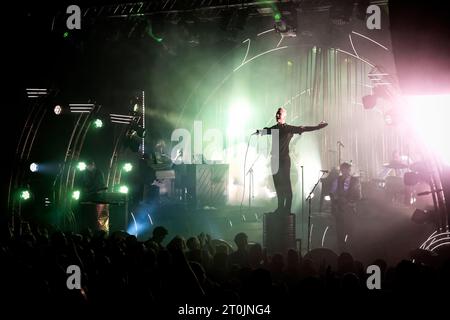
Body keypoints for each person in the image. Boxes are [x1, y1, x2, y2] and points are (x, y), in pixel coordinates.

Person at [258, 107, 328, 214]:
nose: (277, 115)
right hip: (275, 160)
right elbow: (267, 130)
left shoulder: (287, 128)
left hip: (284, 160)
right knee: (278, 185)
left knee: (286, 184)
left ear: (284, 116)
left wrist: (318, 127)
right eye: (276, 113)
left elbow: (303, 128)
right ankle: (280, 207)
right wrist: (259, 132)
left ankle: (287, 208)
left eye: (279, 114)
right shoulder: (275, 128)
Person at [330, 162, 362, 252]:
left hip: (349, 211)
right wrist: (335, 203)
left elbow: (358, 196)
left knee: (351, 233)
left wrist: (348, 202)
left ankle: (351, 252)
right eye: (342, 170)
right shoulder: (337, 180)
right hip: (339, 211)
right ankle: (341, 252)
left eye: (346, 170)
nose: (344, 172)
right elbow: (332, 193)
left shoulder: (354, 181)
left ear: (349, 170)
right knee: (340, 234)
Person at [79, 159, 109, 232]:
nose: (87, 167)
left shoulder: (99, 172)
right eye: (87, 166)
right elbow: (84, 183)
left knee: (98, 216)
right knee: (91, 215)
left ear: (93, 165)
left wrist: (89, 190)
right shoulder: (86, 173)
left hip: (98, 197)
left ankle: (99, 231)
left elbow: (98, 185)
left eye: (89, 166)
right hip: (91, 197)